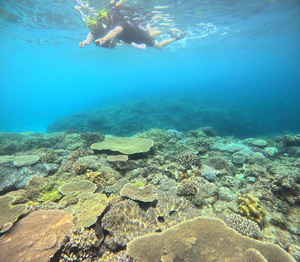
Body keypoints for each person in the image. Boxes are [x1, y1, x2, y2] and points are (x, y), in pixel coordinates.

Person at [79, 7, 186, 50]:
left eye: (105, 19)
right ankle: (166, 30)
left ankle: (177, 37)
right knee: (152, 35)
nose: (104, 22)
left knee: (160, 46)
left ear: (109, 16)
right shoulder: (108, 26)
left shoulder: (119, 23)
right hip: (135, 39)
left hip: (140, 37)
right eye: (101, 20)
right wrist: (85, 42)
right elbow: (90, 37)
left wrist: (105, 38)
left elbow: (116, 31)